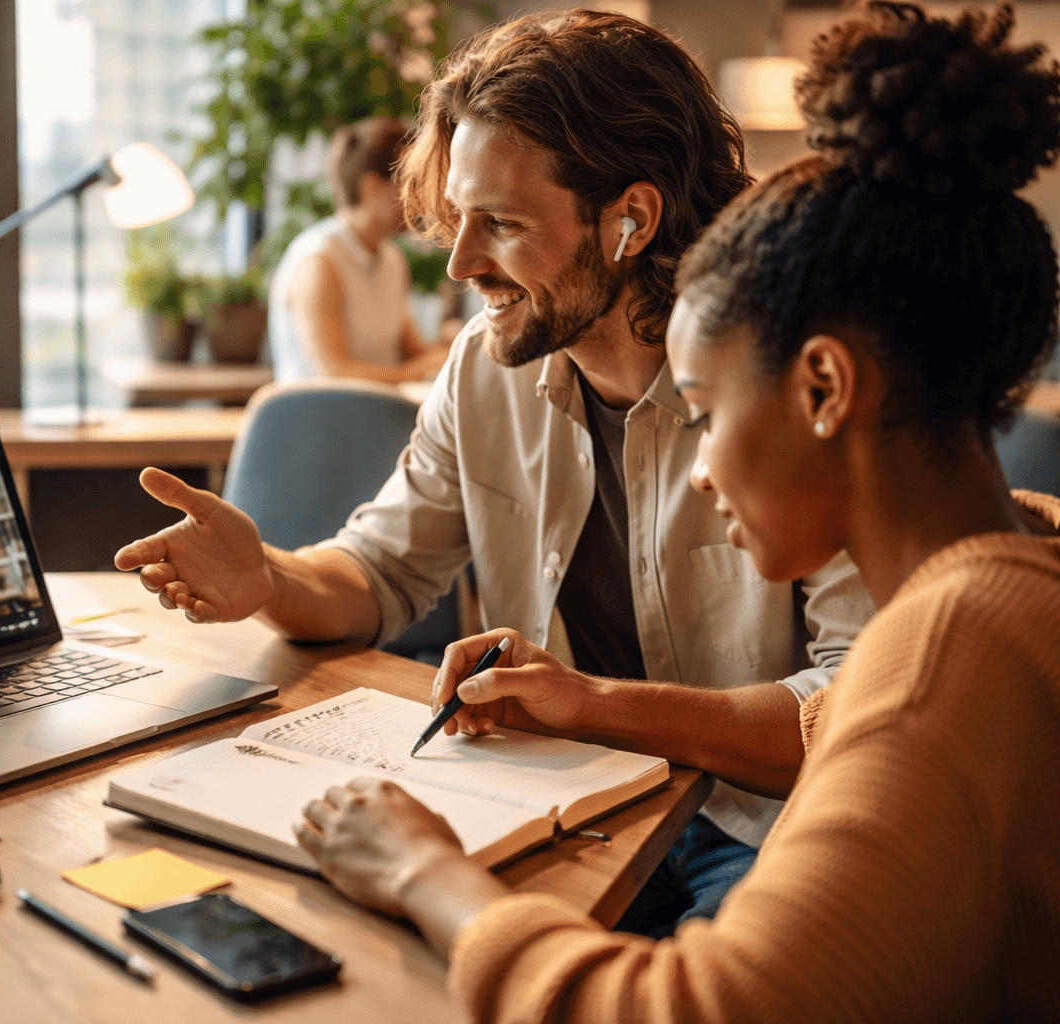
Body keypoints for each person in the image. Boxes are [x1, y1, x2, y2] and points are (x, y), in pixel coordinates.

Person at [295, 3, 1060, 1018]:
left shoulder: (935, 670)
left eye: (702, 409)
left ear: (824, 389)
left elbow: (698, 1009)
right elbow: (836, 718)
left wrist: (426, 873)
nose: (696, 470)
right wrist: (585, 700)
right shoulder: (990, 596)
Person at [116, 9, 876, 935]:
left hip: (760, 826)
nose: (462, 263)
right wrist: (267, 577)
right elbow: (383, 571)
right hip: (574, 808)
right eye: (458, 221)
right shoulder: (486, 367)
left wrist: (595, 708)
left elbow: (858, 709)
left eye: (503, 225)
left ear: (630, 220)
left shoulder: (790, 385)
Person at [267, 115, 457, 384]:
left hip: (377, 415)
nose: (420, 198)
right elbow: (334, 373)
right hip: (320, 419)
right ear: (371, 187)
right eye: (409, 184)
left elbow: (414, 351)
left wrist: (456, 348)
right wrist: (417, 370)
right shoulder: (319, 261)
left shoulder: (391, 259)